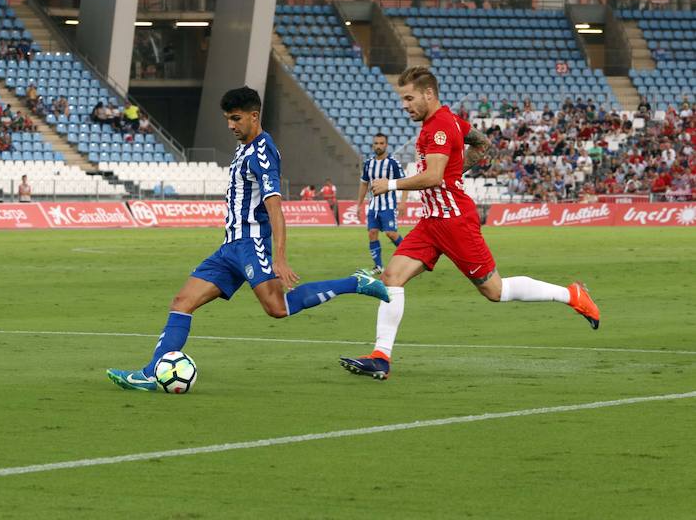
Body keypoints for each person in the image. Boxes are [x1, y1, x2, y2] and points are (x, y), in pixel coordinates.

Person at [107, 86, 391, 391]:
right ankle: (152, 373)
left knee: (277, 308)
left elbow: (275, 208)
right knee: (182, 301)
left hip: (251, 244)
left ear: (254, 116)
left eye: (236, 118)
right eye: (228, 119)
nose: (231, 125)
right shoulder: (244, 148)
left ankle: (356, 283)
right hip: (230, 247)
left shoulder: (263, 152)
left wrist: (279, 257)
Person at [339, 67, 601, 381]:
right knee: (391, 277)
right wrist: (454, 171)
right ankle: (381, 357)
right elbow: (481, 145)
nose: (404, 105)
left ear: (428, 94)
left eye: (409, 98)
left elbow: (434, 176)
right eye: (402, 99)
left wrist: (391, 185)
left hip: (455, 223)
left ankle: (572, 295)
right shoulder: (450, 121)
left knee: (495, 290)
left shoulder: (437, 128)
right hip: (432, 222)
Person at [357, 133, 407, 274]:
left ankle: (410, 258)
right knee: (372, 233)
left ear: (386, 145)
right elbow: (363, 184)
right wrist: (359, 204)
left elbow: (405, 183)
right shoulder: (368, 164)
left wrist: (403, 202)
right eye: (376, 143)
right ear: (373, 145)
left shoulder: (393, 163)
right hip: (373, 207)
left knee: (391, 234)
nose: (378, 146)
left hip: (388, 206)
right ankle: (378, 266)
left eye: (381, 143)